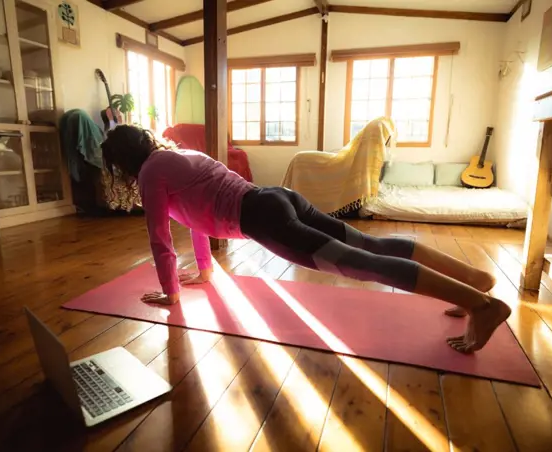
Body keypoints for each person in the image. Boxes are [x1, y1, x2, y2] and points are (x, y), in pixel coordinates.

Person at [100, 124, 511, 354]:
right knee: (372, 247)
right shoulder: (179, 156)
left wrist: (170, 293)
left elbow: (159, 237)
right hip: (277, 197)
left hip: (263, 218)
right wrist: (205, 270)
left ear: (123, 162)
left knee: (359, 263)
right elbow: (196, 214)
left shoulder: (152, 173)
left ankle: (482, 305)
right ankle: (475, 280)